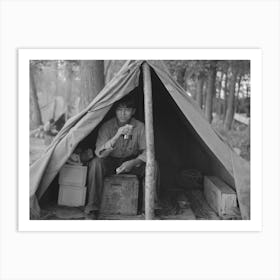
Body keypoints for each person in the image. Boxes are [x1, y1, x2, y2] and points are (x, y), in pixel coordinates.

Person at [84, 95, 159, 216]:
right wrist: (117, 135)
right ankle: (92, 207)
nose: (123, 113)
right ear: (115, 111)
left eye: (127, 110)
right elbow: (100, 153)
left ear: (133, 111)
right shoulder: (107, 126)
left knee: (153, 165)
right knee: (96, 163)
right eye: (119, 109)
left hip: (132, 162)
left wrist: (133, 162)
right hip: (110, 162)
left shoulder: (140, 127)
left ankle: (149, 208)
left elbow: (148, 152)